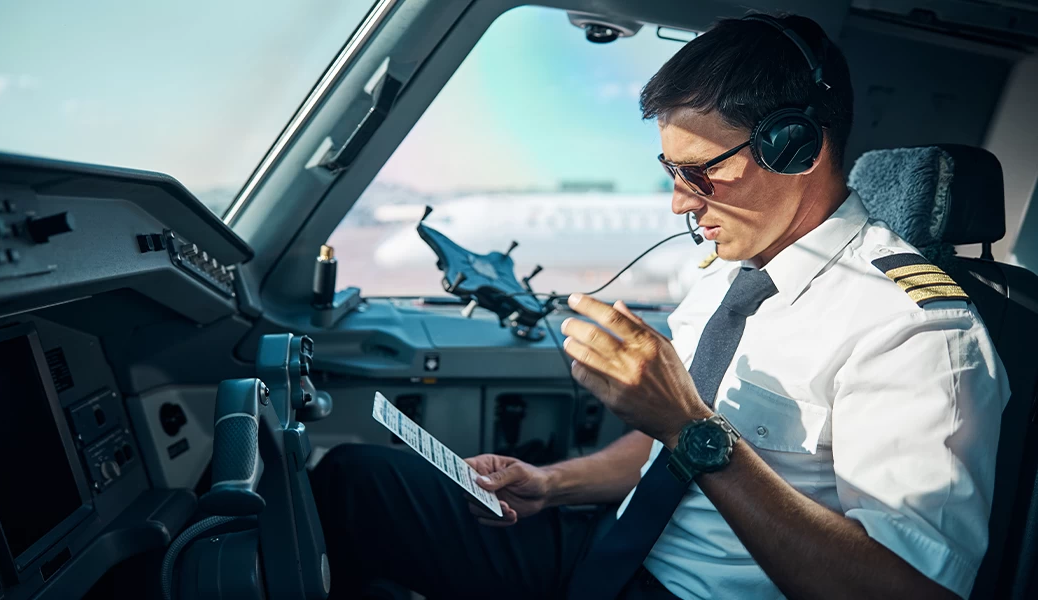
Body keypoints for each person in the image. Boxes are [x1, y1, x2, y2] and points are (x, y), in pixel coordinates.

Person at [310, 12, 1008, 600]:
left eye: (701, 172)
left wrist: (692, 429)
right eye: (671, 172)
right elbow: (659, 448)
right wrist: (552, 484)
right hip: (611, 544)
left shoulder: (913, 329)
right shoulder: (725, 270)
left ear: (796, 147)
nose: (680, 201)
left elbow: (912, 589)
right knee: (353, 482)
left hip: (692, 590)